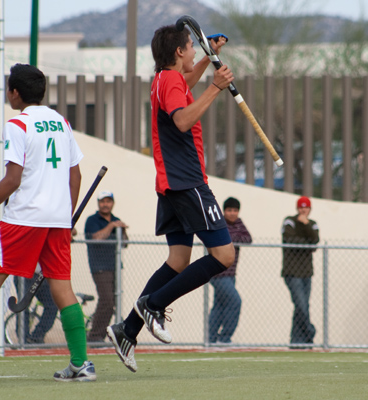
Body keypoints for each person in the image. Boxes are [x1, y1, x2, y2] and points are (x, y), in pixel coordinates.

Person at [0, 63, 95, 382]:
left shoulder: (17, 124)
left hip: (24, 217)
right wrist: (65, 217)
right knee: (63, 288)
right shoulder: (61, 122)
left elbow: (13, 180)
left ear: (14, 93)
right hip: (57, 220)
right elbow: (76, 174)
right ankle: (81, 364)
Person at [106, 25, 235, 373]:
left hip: (173, 183)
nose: (193, 50)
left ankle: (127, 330)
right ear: (179, 52)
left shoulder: (168, 80)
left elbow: (186, 86)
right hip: (187, 182)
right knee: (224, 255)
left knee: (178, 260)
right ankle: (154, 304)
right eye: (192, 47)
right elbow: (182, 120)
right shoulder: (168, 81)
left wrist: (209, 57)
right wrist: (216, 88)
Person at [84, 190, 128, 343]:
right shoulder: (92, 220)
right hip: (100, 267)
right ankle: (95, 337)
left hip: (115, 266)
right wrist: (111, 226)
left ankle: (112, 336)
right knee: (107, 300)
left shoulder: (116, 220)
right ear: (98, 203)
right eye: (103, 201)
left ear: (112, 203)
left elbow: (125, 244)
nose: (105, 204)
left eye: (108, 201)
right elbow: (96, 238)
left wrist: (121, 228)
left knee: (114, 302)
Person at [208, 197, 252, 344]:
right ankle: (225, 338)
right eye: (229, 210)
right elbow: (217, 239)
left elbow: (248, 239)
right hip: (218, 272)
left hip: (232, 273)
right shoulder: (219, 222)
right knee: (235, 301)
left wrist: (231, 238)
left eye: (235, 210)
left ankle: (211, 339)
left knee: (219, 305)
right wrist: (233, 238)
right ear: (224, 211)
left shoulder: (239, 223)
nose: (232, 213)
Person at [281, 196, 320, 347]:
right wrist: (306, 243)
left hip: (306, 273)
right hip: (292, 272)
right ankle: (310, 331)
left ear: (310, 209)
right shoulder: (289, 221)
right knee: (301, 305)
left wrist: (306, 225)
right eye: (301, 207)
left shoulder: (313, 224)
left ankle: (298, 341)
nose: (304, 210)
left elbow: (315, 242)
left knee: (301, 307)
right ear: (297, 208)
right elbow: (289, 240)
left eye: (306, 207)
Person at [14, 267, 58, 344]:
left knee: (53, 304)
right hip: (26, 274)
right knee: (24, 306)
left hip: (42, 275)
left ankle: (37, 336)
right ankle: (23, 339)